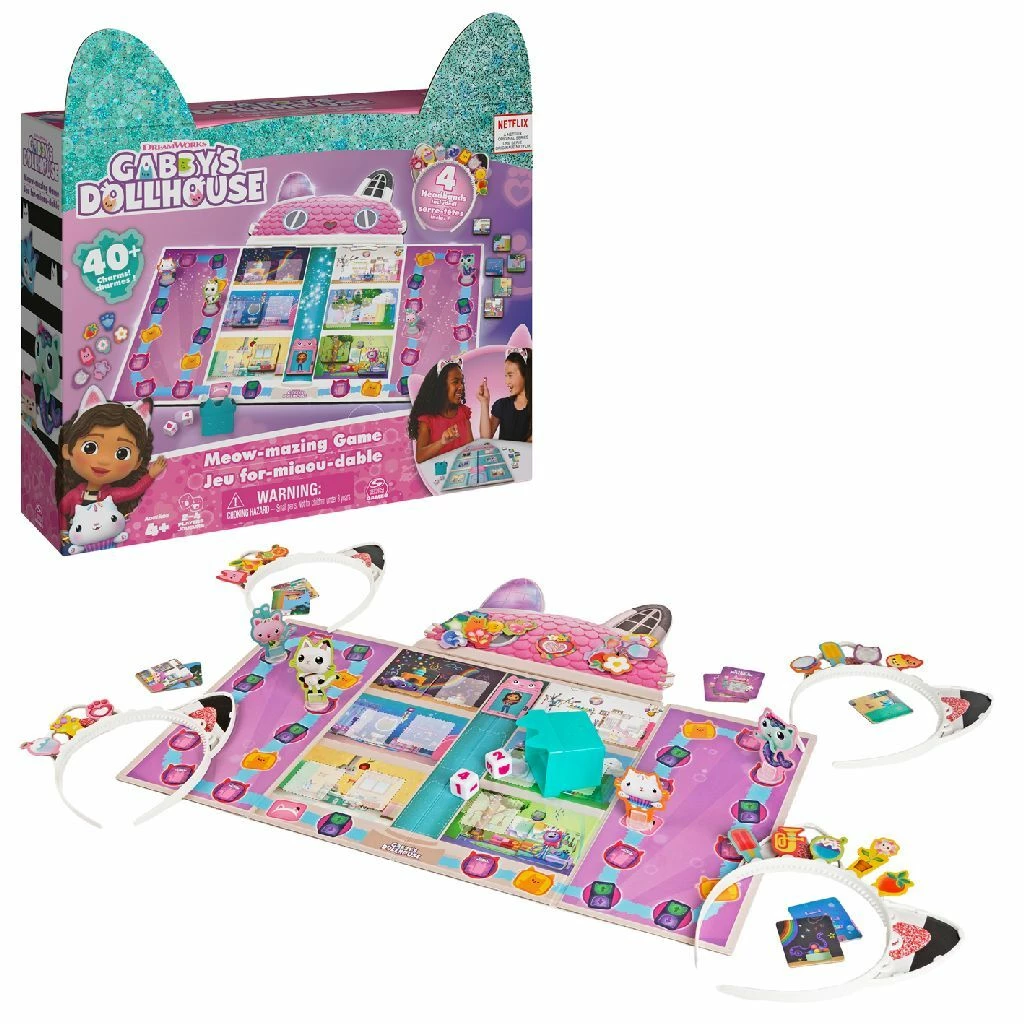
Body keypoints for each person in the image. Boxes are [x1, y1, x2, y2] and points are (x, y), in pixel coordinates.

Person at [56, 385, 167, 526]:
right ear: (67, 451)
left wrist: (150, 475)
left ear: (137, 463)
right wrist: (64, 531)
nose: (104, 460)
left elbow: (134, 491)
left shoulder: (110, 495)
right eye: (90, 447)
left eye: (122, 453)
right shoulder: (74, 496)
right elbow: (61, 511)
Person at [407, 359, 473, 463]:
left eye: (462, 382)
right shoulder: (427, 419)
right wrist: (442, 442)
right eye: (455, 382)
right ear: (441, 386)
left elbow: (471, 447)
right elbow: (420, 457)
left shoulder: (463, 412)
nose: (461, 386)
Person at [478, 348, 531, 442]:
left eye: (510, 375)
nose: (507, 382)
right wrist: (484, 403)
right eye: (506, 376)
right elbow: (485, 438)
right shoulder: (502, 405)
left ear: (526, 374)